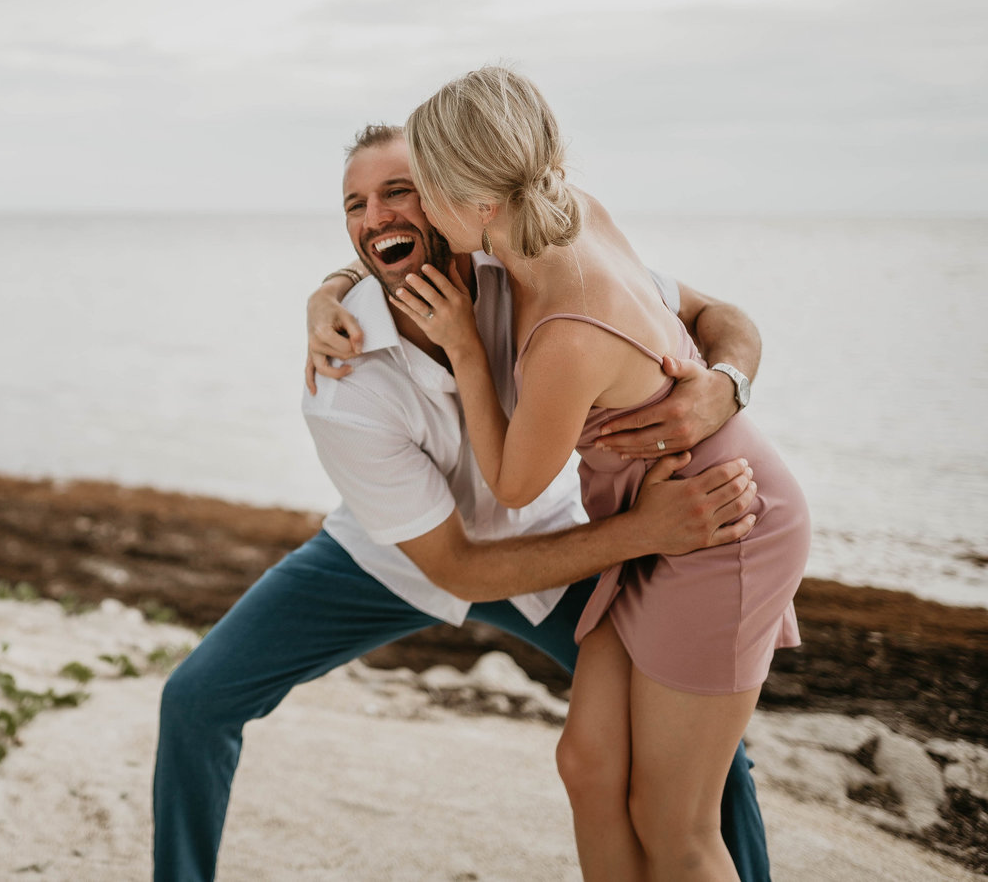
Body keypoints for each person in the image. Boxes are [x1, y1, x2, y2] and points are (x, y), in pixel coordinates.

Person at [152, 123, 773, 882]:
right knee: (195, 700)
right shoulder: (342, 382)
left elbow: (722, 317)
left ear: (450, 202)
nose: (375, 214)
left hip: (545, 545)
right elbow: (456, 567)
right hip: (389, 557)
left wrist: (725, 385)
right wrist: (645, 530)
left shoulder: (535, 274)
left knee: (703, 747)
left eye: (398, 192)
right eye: (355, 203)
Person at [387, 67, 811, 881]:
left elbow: (512, 483)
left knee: (675, 823)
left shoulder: (566, 335)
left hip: (720, 527)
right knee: (588, 764)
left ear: (478, 203)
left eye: (427, 189)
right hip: (653, 522)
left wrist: (470, 355)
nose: (420, 209)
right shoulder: (569, 212)